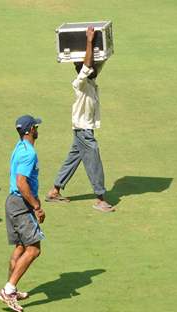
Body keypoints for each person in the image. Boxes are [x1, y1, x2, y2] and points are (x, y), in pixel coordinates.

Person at [46, 26, 115, 212]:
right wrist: (90, 41)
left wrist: (102, 45)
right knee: (93, 159)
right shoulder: (80, 82)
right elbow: (87, 65)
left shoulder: (90, 80)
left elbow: (99, 61)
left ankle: (54, 191)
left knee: (73, 158)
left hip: (82, 128)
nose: (93, 68)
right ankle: (100, 198)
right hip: (83, 130)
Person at [0, 115, 46, 312]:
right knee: (34, 249)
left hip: (12, 203)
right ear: (29, 131)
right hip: (21, 204)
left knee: (20, 247)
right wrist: (36, 206)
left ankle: (12, 288)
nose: (36, 128)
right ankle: (8, 290)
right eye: (34, 126)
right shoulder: (29, 153)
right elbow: (21, 182)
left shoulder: (19, 147)